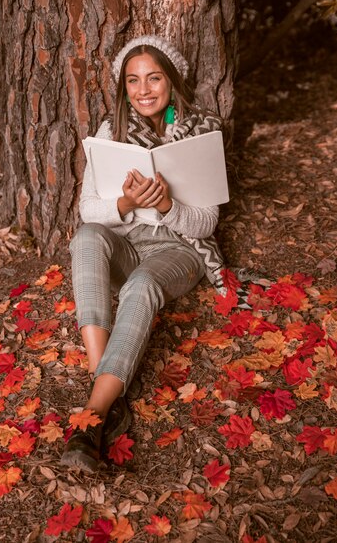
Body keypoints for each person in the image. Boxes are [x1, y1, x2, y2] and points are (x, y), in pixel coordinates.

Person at [61, 35, 228, 473]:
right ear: (124, 88)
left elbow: (205, 224)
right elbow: (88, 210)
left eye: (154, 77)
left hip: (178, 251)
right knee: (86, 236)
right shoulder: (109, 133)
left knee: (142, 284)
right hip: (126, 244)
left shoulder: (202, 131)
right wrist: (128, 204)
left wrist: (167, 205)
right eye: (133, 80)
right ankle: (107, 396)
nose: (144, 89)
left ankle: (92, 417)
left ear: (171, 82)